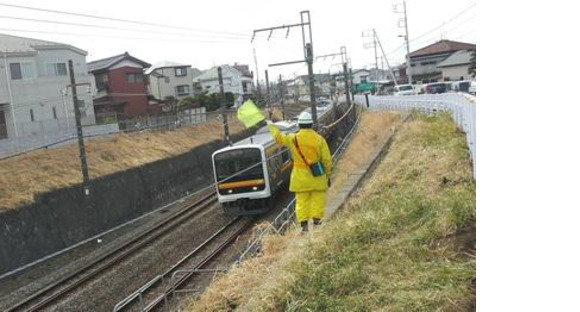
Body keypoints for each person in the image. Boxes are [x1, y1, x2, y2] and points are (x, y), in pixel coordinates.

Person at [267, 111, 332, 232]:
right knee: (317, 199)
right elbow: (327, 160)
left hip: (299, 177)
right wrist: (327, 175)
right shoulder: (319, 139)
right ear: (311, 124)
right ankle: (317, 222)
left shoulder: (292, 138)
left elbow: (278, 138)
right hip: (317, 175)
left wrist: (271, 125)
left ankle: (304, 226)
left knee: (301, 201)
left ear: (299, 125)